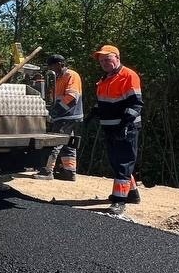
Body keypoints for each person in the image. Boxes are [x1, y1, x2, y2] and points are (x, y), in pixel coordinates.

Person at [87, 45, 143, 214]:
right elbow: (103, 102)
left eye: (108, 59)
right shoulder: (105, 79)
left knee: (124, 163)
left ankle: (120, 201)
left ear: (117, 58)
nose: (104, 62)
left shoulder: (128, 76)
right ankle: (132, 194)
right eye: (101, 60)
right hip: (110, 128)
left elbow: (136, 104)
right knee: (117, 163)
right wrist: (92, 114)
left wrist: (124, 125)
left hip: (126, 127)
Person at [34, 54, 83, 181]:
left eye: (53, 66)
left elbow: (72, 97)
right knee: (67, 144)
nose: (52, 69)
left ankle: (47, 171)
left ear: (60, 64)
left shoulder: (71, 75)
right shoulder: (58, 78)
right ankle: (69, 172)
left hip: (68, 115)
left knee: (55, 141)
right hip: (65, 115)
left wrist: (57, 111)